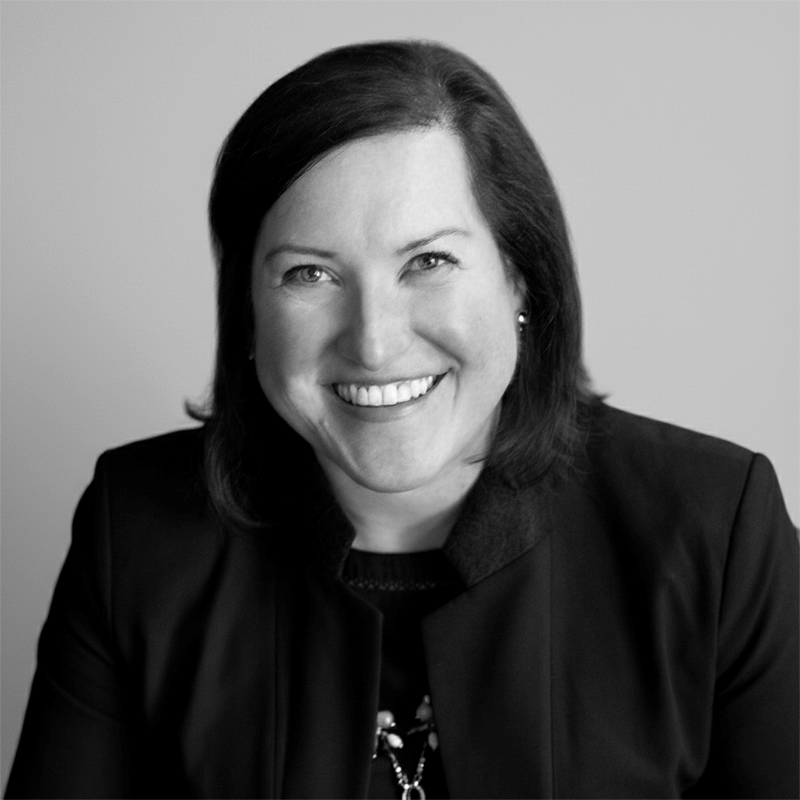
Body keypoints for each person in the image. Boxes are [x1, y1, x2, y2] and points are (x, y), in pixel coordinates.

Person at [5, 40, 800, 800]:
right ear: (248, 313)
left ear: (522, 280)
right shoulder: (135, 529)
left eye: (428, 262)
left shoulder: (714, 527)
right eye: (309, 273)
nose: (375, 341)